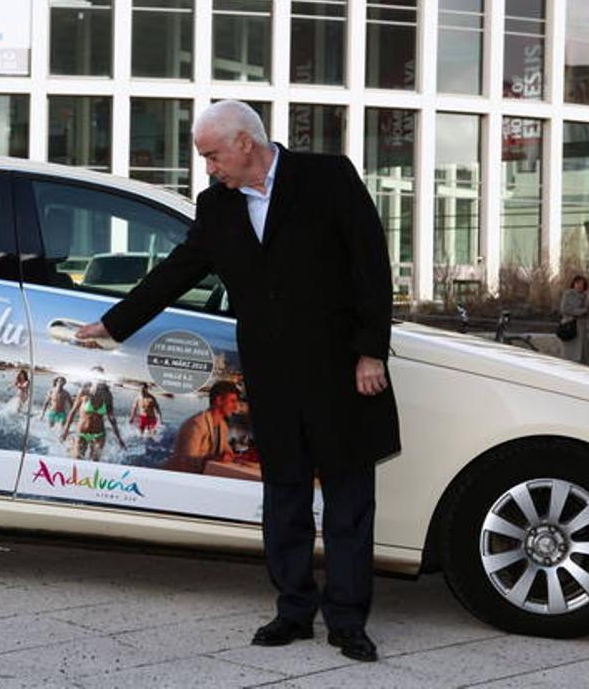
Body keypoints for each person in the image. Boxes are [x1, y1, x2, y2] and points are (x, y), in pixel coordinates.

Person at [75, 100, 398, 663]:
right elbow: (178, 270)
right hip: (271, 377)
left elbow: (370, 264)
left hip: (341, 371)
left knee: (349, 499)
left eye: (211, 155)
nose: (209, 168)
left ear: (245, 143)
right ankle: (294, 611)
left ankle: (347, 620)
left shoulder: (328, 177)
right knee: (285, 496)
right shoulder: (216, 205)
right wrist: (112, 323)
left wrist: (371, 352)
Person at [166, 381, 239, 473]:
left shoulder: (222, 426)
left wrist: (232, 456)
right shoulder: (196, 425)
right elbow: (185, 462)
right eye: (232, 401)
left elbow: (227, 453)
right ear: (219, 400)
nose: (236, 407)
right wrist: (213, 458)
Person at [60, 368, 126, 462]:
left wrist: (119, 438)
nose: (98, 380)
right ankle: (72, 444)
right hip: (82, 432)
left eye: (100, 377)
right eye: (95, 377)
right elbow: (73, 412)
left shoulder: (107, 395)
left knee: (95, 462)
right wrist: (65, 431)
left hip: (99, 435)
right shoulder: (84, 392)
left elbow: (111, 417)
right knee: (77, 460)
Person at [559, 275, 589, 364]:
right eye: (577, 283)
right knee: (569, 355)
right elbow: (565, 309)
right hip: (570, 327)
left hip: (583, 328)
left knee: (581, 355)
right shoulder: (568, 294)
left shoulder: (586, 296)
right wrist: (581, 311)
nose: (579, 286)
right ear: (573, 284)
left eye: (582, 284)